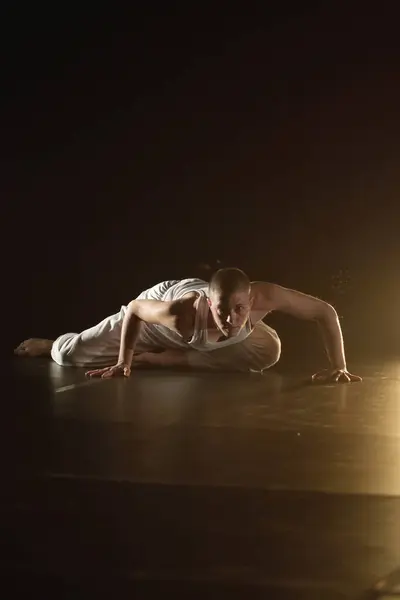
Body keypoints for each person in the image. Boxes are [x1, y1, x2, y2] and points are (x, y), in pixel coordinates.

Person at [14, 267, 362, 383]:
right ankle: (52, 343)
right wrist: (124, 361)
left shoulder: (267, 296)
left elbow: (325, 312)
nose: (230, 320)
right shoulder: (181, 313)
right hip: (155, 319)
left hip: (188, 336)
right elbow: (135, 309)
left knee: (268, 348)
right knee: (69, 356)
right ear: (211, 304)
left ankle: (164, 359)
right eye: (222, 311)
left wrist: (339, 367)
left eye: (239, 310)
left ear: (252, 302)